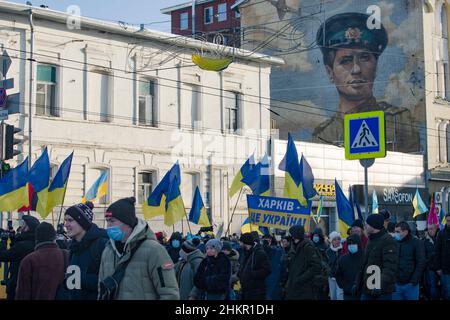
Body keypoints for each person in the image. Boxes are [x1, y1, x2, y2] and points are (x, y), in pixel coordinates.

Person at [313, 12, 419, 153]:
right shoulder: (323, 135)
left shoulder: (399, 121)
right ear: (330, 73)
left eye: (364, 58)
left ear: (375, 68)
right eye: (346, 61)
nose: (356, 69)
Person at [98, 197, 179, 300]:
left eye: (112, 221)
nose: (108, 226)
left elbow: (170, 294)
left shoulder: (154, 250)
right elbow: (101, 290)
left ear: (127, 222)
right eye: (107, 221)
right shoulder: (108, 251)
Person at [58, 202, 108, 300]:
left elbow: (108, 281)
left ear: (83, 222)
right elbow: (72, 285)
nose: (66, 225)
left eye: (70, 220)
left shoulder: (102, 244)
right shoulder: (73, 247)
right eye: (65, 221)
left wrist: (78, 278)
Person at [15, 222, 68, 300]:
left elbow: (22, 294)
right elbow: (77, 288)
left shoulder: (28, 260)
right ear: (55, 237)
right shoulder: (68, 255)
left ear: (36, 239)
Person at [354, 214, 398, 300]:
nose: (365, 226)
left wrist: (379, 285)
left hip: (381, 292)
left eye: (367, 224)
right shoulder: (371, 240)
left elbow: (390, 267)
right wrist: (357, 283)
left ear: (373, 225)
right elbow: (364, 265)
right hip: (367, 289)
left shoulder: (387, 240)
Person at [0, 215, 39, 300]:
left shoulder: (22, 246)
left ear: (28, 228)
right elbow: (17, 253)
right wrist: (13, 239)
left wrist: (3, 240)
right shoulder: (36, 243)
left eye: (24, 224)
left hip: (17, 286)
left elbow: (3, 256)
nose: (21, 227)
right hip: (31, 287)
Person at [285, 225, 324, 300]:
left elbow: (316, 266)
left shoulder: (307, 247)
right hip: (294, 287)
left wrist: (301, 278)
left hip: (305, 288)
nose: (290, 236)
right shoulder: (295, 247)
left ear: (295, 235)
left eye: (291, 234)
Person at [392, 221, 426, 300]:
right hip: (396, 284)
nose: (395, 234)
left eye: (398, 232)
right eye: (395, 231)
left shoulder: (416, 243)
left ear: (405, 231)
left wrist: (414, 280)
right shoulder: (394, 243)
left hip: (411, 285)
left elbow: (421, 262)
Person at [238, 233, 271, 300]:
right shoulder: (246, 252)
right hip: (246, 290)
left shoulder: (259, 253)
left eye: (240, 242)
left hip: (256, 292)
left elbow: (267, 270)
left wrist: (252, 274)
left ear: (245, 242)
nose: (239, 244)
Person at [335, 234, 364, 300]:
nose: (351, 245)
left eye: (353, 243)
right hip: (348, 294)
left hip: (362, 294)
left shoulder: (365, 257)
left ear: (358, 244)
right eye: (349, 244)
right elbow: (338, 274)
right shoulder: (343, 259)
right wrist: (344, 286)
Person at [434, 213, 450, 300]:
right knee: (447, 292)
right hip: (445, 269)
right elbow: (437, 252)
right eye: (448, 221)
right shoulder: (441, 234)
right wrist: (438, 267)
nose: (449, 223)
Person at [422, 223, 440, 300]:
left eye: (432, 229)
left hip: (442, 268)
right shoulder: (424, 241)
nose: (430, 231)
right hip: (431, 269)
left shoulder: (440, 239)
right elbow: (423, 256)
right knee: (432, 286)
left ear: (436, 229)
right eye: (429, 229)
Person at [326, 231, 343, 300]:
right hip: (331, 277)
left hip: (341, 277)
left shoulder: (343, 249)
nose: (337, 241)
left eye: (338, 239)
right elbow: (325, 263)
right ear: (331, 241)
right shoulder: (328, 251)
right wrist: (329, 272)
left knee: (340, 296)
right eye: (334, 239)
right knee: (333, 296)